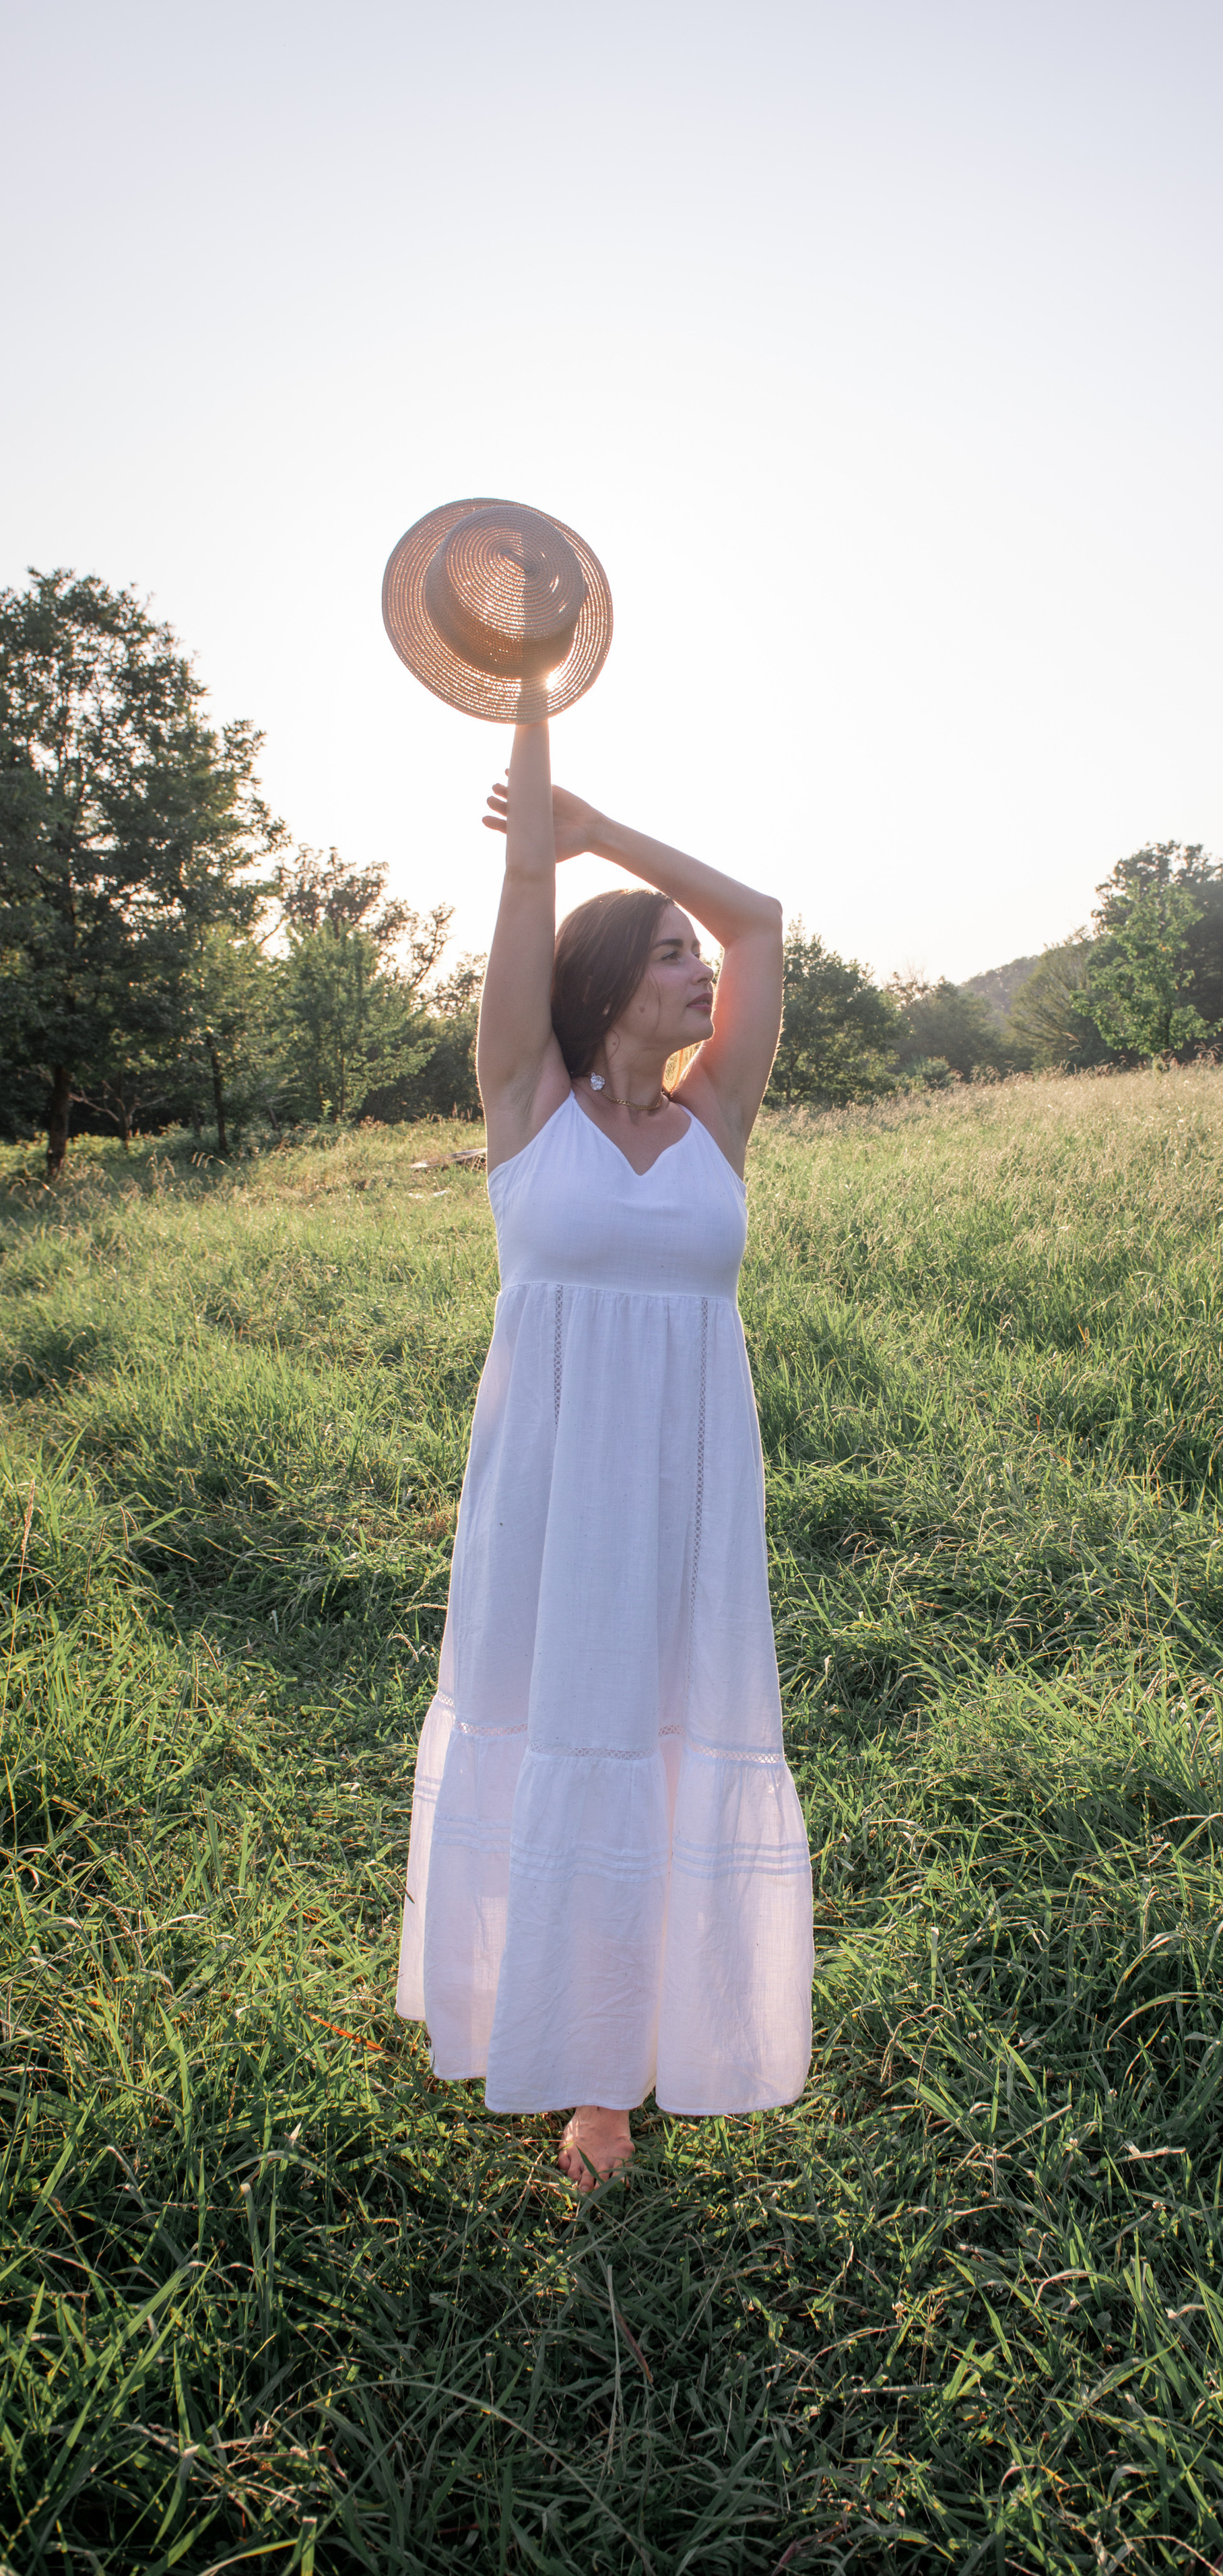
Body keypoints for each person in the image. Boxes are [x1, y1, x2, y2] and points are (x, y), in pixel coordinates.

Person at [395, 719, 813, 2187]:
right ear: (603, 982)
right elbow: (522, 898)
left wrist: (606, 825)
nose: (701, 970)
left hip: (691, 1498)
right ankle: (578, 2072)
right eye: (666, 955)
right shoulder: (526, 1105)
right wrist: (535, 761)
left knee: (663, 1749)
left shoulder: (715, 1119)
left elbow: (763, 919)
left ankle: (630, 2067)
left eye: (693, 959)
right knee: (566, 1737)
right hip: (552, 1493)